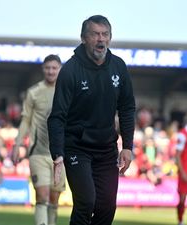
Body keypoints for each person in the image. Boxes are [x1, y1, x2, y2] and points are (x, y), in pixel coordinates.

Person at [47, 15, 135, 225]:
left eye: (105, 34)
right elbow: (57, 117)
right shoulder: (70, 70)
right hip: (77, 148)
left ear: (110, 38)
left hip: (106, 149)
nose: (101, 39)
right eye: (95, 34)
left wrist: (128, 146)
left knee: (107, 208)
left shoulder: (119, 67)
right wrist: (58, 154)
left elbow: (127, 107)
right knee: (86, 202)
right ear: (84, 38)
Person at [13, 54, 66, 225]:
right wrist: (17, 143)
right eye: (47, 68)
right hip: (38, 152)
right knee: (42, 196)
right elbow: (26, 119)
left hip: (62, 155)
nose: (51, 71)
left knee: (54, 198)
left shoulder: (67, 90)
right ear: (43, 69)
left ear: (60, 69)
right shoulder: (34, 92)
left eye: (54, 68)